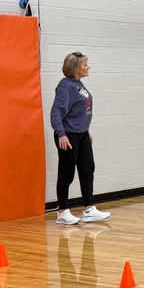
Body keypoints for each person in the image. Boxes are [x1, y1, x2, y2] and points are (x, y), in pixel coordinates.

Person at [50, 52, 111, 226]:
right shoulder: (65, 86)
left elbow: (79, 111)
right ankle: (62, 212)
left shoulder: (78, 84)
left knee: (87, 169)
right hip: (68, 135)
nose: (88, 67)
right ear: (76, 67)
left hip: (82, 133)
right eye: (85, 65)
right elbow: (56, 112)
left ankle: (89, 209)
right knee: (67, 173)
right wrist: (61, 134)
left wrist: (86, 128)